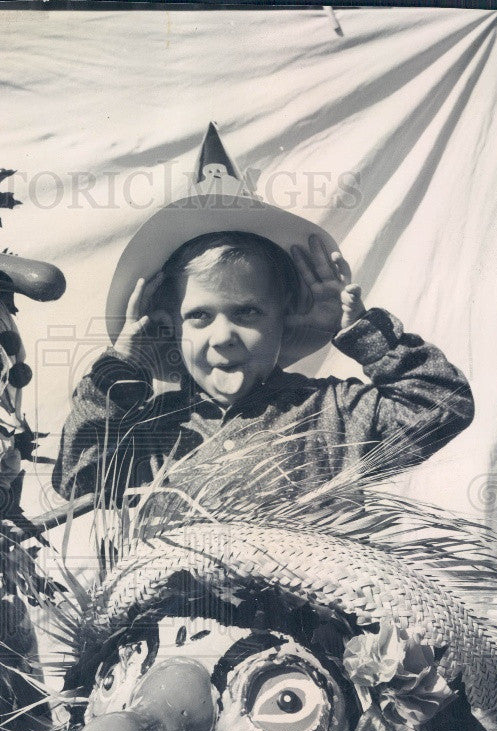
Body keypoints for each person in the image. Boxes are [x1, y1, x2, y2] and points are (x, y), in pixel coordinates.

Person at [53, 125, 474, 504]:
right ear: (168, 329)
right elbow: (80, 478)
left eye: (248, 312)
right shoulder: (156, 431)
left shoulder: (332, 412)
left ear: (283, 318)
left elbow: (442, 406)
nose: (223, 337)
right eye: (199, 316)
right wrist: (122, 370)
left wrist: (366, 335)